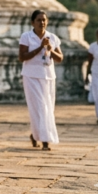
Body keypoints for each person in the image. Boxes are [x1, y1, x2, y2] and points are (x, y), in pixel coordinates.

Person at [19, 9, 63, 151]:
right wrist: (39, 48)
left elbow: (60, 58)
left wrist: (51, 49)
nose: (42, 23)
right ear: (33, 22)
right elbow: (22, 57)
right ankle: (45, 140)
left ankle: (35, 135)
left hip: (48, 75)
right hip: (31, 76)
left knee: (48, 108)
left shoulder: (53, 37)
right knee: (39, 108)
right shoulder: (26, 37)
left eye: (44, 20)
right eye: (38, 20)